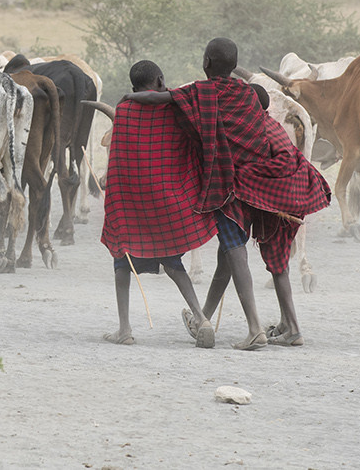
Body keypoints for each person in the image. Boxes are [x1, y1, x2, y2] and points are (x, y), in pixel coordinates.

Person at [123, 38, 331, 349]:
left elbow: (161, 100)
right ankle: (272, 326)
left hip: (233, 186)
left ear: (206, 63)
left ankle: (254, 330)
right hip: (272, 183)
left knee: (235, 252)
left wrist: (129, 97)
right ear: (234, 66)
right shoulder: (250, 93)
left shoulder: (200, 91)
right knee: (245, 257)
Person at [101, 60, 218, 348]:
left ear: (133, 88)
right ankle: (202, 318)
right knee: (174, 264)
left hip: (133, 206)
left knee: (121, 261)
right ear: (161, 80)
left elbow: (118, 165)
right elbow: (192, 145)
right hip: (169, 204)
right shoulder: (175, 105)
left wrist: (114, 204)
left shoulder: (125, 112)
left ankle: (125, 329)